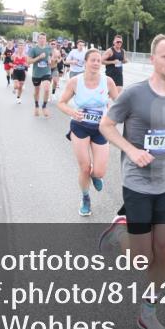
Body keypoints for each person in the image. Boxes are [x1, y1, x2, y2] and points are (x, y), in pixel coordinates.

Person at [99, 34, 165, 329]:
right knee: (141, 259)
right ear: (153, 59)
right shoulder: (134, 95)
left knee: (164, 250)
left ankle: (148, 313)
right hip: (138, 183)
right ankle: (122, 230)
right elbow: (106, 126)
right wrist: (131, 149)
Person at [57, 49, 121, 216]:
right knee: (84, 168)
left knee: (99, 172)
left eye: (98, 61)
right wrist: (72, 112)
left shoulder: (108, 81)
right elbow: (61, 102)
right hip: (80, 127)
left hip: (101, 128)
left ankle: (95, 176)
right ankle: (85, 198)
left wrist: (113, 113)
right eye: (92, 60)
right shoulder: (74, 82)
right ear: (85, 62)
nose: (96, 63)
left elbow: (120, 103)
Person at [27, 32, 54, 117]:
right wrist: (39, 57)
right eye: (41, 38)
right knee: (37, 91)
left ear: (46, 40)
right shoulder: (33, 49)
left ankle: (44, 106)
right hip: (36, 73)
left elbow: (50, 57)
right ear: (38, 39)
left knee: (46, 89)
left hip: (46, 72)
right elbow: (28, 61)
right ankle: (36, 106)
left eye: (44, 38)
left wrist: (50, 61)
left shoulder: (49, 48)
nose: (42, 40)